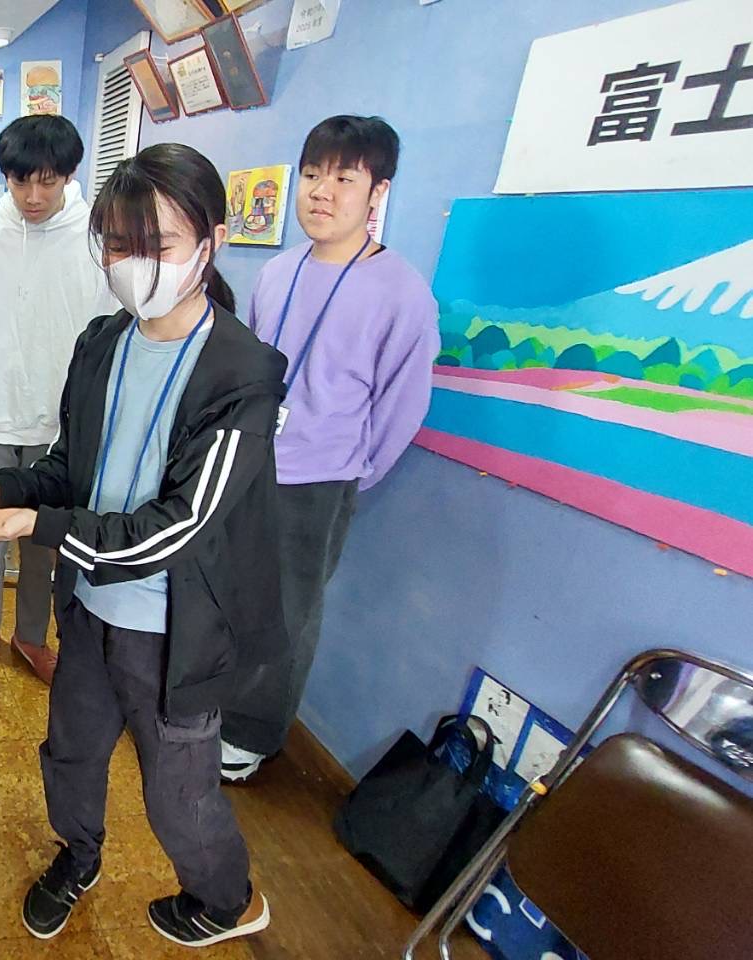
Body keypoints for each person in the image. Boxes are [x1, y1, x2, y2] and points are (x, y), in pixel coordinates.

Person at [0, 143, 284, 948]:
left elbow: (179, 528)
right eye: (119, 245)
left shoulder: (241, 374)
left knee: (177, 793)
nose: (134, 264)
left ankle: (225, 900)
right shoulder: (102, 343)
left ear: (213, 242)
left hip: (174, 632)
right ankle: (77, 857)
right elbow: (69, 467)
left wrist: (38, 526)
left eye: (158, 244)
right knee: (72, 753)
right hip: (89, 607)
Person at [219, 116, 440, 783]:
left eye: (345, 178)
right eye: (312, 174)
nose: (321, 191)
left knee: (287, 611)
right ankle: (209, 704)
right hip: (248, 461)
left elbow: (402, 405)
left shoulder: (402, 292)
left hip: (318, 480)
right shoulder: (278, 271)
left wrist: (350, 470)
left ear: (378, 192)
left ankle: (251, 733)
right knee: (226, 590)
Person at [0, 115, 117, 686]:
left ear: (70, 175)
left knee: (41, 540)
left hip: (62, 430)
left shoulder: (98, 239)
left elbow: (113, 339)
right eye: (20, 182)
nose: (33, 197)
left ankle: (31, 637)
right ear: (5, 177)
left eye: (47, 182)